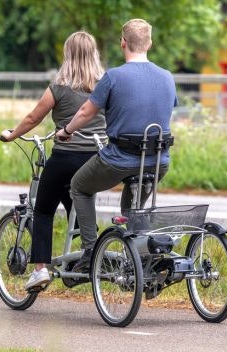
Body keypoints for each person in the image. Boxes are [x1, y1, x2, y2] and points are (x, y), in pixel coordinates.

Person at [56, 18, 177, 272]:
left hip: (120, 159)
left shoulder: (113, 77)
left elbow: (86, 112)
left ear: (123, 43)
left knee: (79, 186)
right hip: (158, 161)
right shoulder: (167, 77)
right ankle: (141, 261)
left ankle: (90, 251)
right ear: (150, 43)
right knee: (131, 210)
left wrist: (66, 131)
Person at [0, 31, 106, 290]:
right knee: (77, 206)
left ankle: (40, 270)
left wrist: (11, 135)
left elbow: (33, 118)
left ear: (67, 55)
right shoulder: (105, 86)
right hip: (96, 159)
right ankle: (82, 260)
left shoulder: (58, 87)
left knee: (43, 210)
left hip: (65, 158)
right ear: (94, 55)